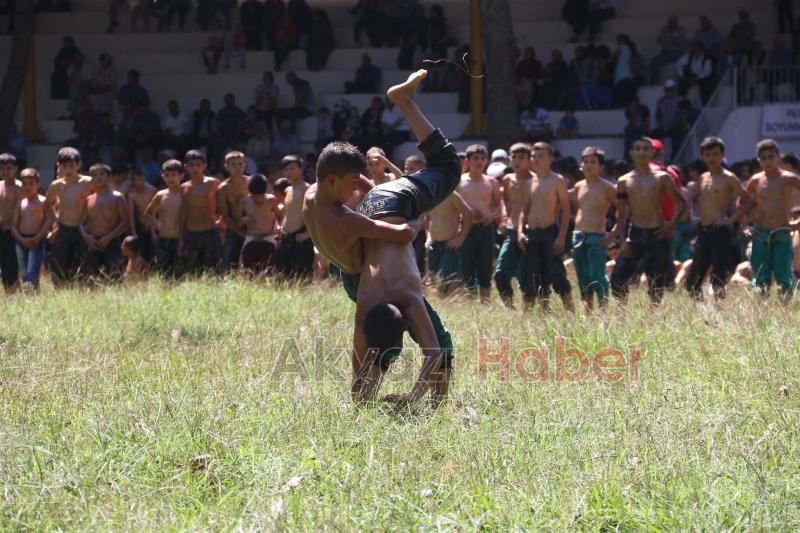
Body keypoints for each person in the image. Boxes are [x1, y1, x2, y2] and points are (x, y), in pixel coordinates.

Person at [303, 69, 459, 408]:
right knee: (447, 167)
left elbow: (359, 357)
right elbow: (403, 233)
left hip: (383, 217)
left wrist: (363, 403)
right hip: (387, 209)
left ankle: (391, 404)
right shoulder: (391, 295)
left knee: (447, 168)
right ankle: (435, 410)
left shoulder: (366, 295)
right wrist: (411, 222)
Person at [610, 137, 686, 304]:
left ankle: (654, 317)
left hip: (657, 233)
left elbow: (682, 203)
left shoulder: (662, 177)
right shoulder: (624, 181)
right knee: (617, 277)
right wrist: (622, 240)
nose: (642, 152)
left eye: (646, 149)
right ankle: (621, 313)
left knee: (656, 281)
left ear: (653, 152)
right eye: (638, 149)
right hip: (635, 233)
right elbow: (621, 214)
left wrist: (670, 224)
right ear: (631, 153)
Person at [685, 137, 753, 300]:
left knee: (718, 276)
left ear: (722, 154)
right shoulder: (703, 177)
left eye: (715, 154)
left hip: (721, 231)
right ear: (703, 156)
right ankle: (701, 310)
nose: (712, 158)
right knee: (692, 280)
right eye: (708, 154)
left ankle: (719, 313)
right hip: (704, 231)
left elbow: (749, 200)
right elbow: (689, 196)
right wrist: (692, 215)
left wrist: (731, 220)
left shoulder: (728, 177)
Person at [517, 142, 574, 312]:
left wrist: (561, 237)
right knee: (534, 275)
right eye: (534, 156)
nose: (536, 159)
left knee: (556, 273)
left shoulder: (557, 180)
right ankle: (542, 312)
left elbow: (566, 211)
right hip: (532, 235)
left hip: (550, 233)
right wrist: (520, 231)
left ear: (551, 158)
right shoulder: (529, 183)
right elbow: (524, 211)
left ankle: (570, 311)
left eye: (540, 155)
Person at [743, 139, 800, 301]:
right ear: (758, 160)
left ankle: (784, 310)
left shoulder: (789, 178)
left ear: (778, 157)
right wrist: (745, 225)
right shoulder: (756, 180)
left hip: (782, 231)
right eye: (763, 158)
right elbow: (742, 203)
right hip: (760, 232)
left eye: (771, 157)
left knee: (783, 273)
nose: (767, 161)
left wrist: (797, 222)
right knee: (761, 273)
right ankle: (761, 308)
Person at [569, 147, 616, 310]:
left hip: (597, 235)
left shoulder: (607, 187)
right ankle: (588, 310)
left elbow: (624, 210)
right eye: (586, 161)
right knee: (583, 276)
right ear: (581, 165)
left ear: (601, 166)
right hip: (578, 235)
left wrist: (613, 234)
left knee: (597, 275)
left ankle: (603, 310)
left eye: (593, 162)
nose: (589, 165)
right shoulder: (578, 186)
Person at [457, 144, 502, 303]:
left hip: (486, 228)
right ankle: (470, 301)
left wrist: (490, 216)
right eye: (475, 158)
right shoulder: (460, 181)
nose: (479, 162)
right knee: (467, 265)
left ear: (487, 161)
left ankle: (486, 301)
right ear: (467, 161)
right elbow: (453, 206)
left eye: (482, 158)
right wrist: (467, 212)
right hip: (466, 228)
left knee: (485, 265)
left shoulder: (491, 182)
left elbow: (499, 206)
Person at [45, 147, 95, 285]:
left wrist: (91, 221)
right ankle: (61, 293)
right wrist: (55, 219)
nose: (68, 170)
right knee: (60, 264)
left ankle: (84, 291)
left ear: (78, 165)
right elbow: (47, 204)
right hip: (63, 228)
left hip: (82, 228)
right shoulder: (57, 185)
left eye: (71, 166)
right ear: (59, 166)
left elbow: (99, 198)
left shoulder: (88, 182)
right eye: (64, 166)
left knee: (84, 263)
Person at [494, 143, 533, 308]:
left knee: (527, 275)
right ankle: (510, 308)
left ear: (529, 160)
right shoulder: (508, 179)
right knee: (500, 273)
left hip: (529, 232)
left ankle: (528, 313)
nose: (517, 161)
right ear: (509, 159)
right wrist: (503, 218)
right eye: (514, 157)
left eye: (522, 157)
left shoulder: (535, 180)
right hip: (511, 230)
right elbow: (506, 202)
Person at [79, 163, 130, 281]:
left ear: (109, 177)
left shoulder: (117, 197)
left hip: (112, 241)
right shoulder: (89, 199)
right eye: (95, 175)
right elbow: (80, 223)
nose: (98, 177)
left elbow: (125, 221)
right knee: (92, 277)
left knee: (115, 275)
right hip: (93, 242)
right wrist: (87, 237)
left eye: (102, 174)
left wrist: (108, 237)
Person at [11, 168, 54, 291]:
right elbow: (14, 226)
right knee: (23, 271)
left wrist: (37, 237)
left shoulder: (43, 201)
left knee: (32, 271)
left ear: (38, 184)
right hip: (21, 240)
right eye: (24, 184)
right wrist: (21, 240)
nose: (27, 187)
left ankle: (34, 293)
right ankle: (27, 295)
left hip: (37, 240)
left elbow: (51, 218)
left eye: (31, 184)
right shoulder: (20, 204)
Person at [180, 150, 222, 275]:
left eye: (198, 164)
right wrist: (181, 238)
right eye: (191, 165)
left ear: (204, 165)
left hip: (210, 231)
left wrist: (222, 221)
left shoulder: (213, 183)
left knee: (212, 270)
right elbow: (183, 213)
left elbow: (224, 204)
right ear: (186, 167)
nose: (195, 168)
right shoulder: (183, 188)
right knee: (193, 270)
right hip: (191, 233)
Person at [427, 190, 473, 294]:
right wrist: (428, 236)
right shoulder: (429, 195)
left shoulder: (451, 194)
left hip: (449, 245)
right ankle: (442, 305)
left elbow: (468, 214)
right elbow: (426, 218)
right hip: (434, 245)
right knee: (434, 279)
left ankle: (446, 305)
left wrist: (460, 239)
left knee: (445, 280)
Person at [144, 159, 184, 277]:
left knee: (180, 272)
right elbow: (147, 213)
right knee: (163, 272)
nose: (170, 178)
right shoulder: (161, 195)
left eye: (173, 175)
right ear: (162, 176)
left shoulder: (185, 193)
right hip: (164, 239)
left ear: (181, 176)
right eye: (167, 175)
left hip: (180, 238)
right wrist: (157, 225)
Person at [276, 155, 313, 280]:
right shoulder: (287, 189)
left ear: (301, 170)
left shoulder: (308, 188)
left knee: (302, 276)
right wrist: (281, 229)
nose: (288, 172)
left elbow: (313, 213)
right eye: (286, 169)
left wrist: (307, 234)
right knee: (286, 275)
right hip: (286, 236)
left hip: (301, 237)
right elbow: (287, 212)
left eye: (292, 168)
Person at [240, 173, 282, 273]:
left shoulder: (271, 200)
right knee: (249, 271)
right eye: (255, 196)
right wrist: (244, 220)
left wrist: (279, 229)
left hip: (268, 238)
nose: (258, 199)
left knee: (269, 271)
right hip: (250, 239)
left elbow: (280, 216)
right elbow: (238, 222)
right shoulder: (244, 202)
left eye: (261, 196)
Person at [218, 151, 250, 272]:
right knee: (228, 263)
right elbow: (225, 215)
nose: (237, 167)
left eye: (240, 164)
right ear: (226, 167)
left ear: (245, 165)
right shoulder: (223, 188)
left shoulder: (251, 182)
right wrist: (239, 232)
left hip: (252, 228)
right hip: (233, 230)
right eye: (233, 164)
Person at [0, 153, 21, 292]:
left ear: (15, 169)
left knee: (11, 268)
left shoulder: (19, 187)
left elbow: (21, 211)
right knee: (3, 266)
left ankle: (13, 295)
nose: (5, 172)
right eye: (2, 169)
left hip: (14, 233)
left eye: (8, 168)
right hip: (1, 232)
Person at [127, 169, 156, 262]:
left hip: (151, 224)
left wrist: (154, 232)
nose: (140, 182)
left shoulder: (152, 190)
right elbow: (131, 214)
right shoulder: (131, 194)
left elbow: (154, 212)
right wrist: (133, 232)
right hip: (139, 225)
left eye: (142, 179)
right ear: (133, 181)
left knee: (152, 252)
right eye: (138, 180)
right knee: (140, 253)